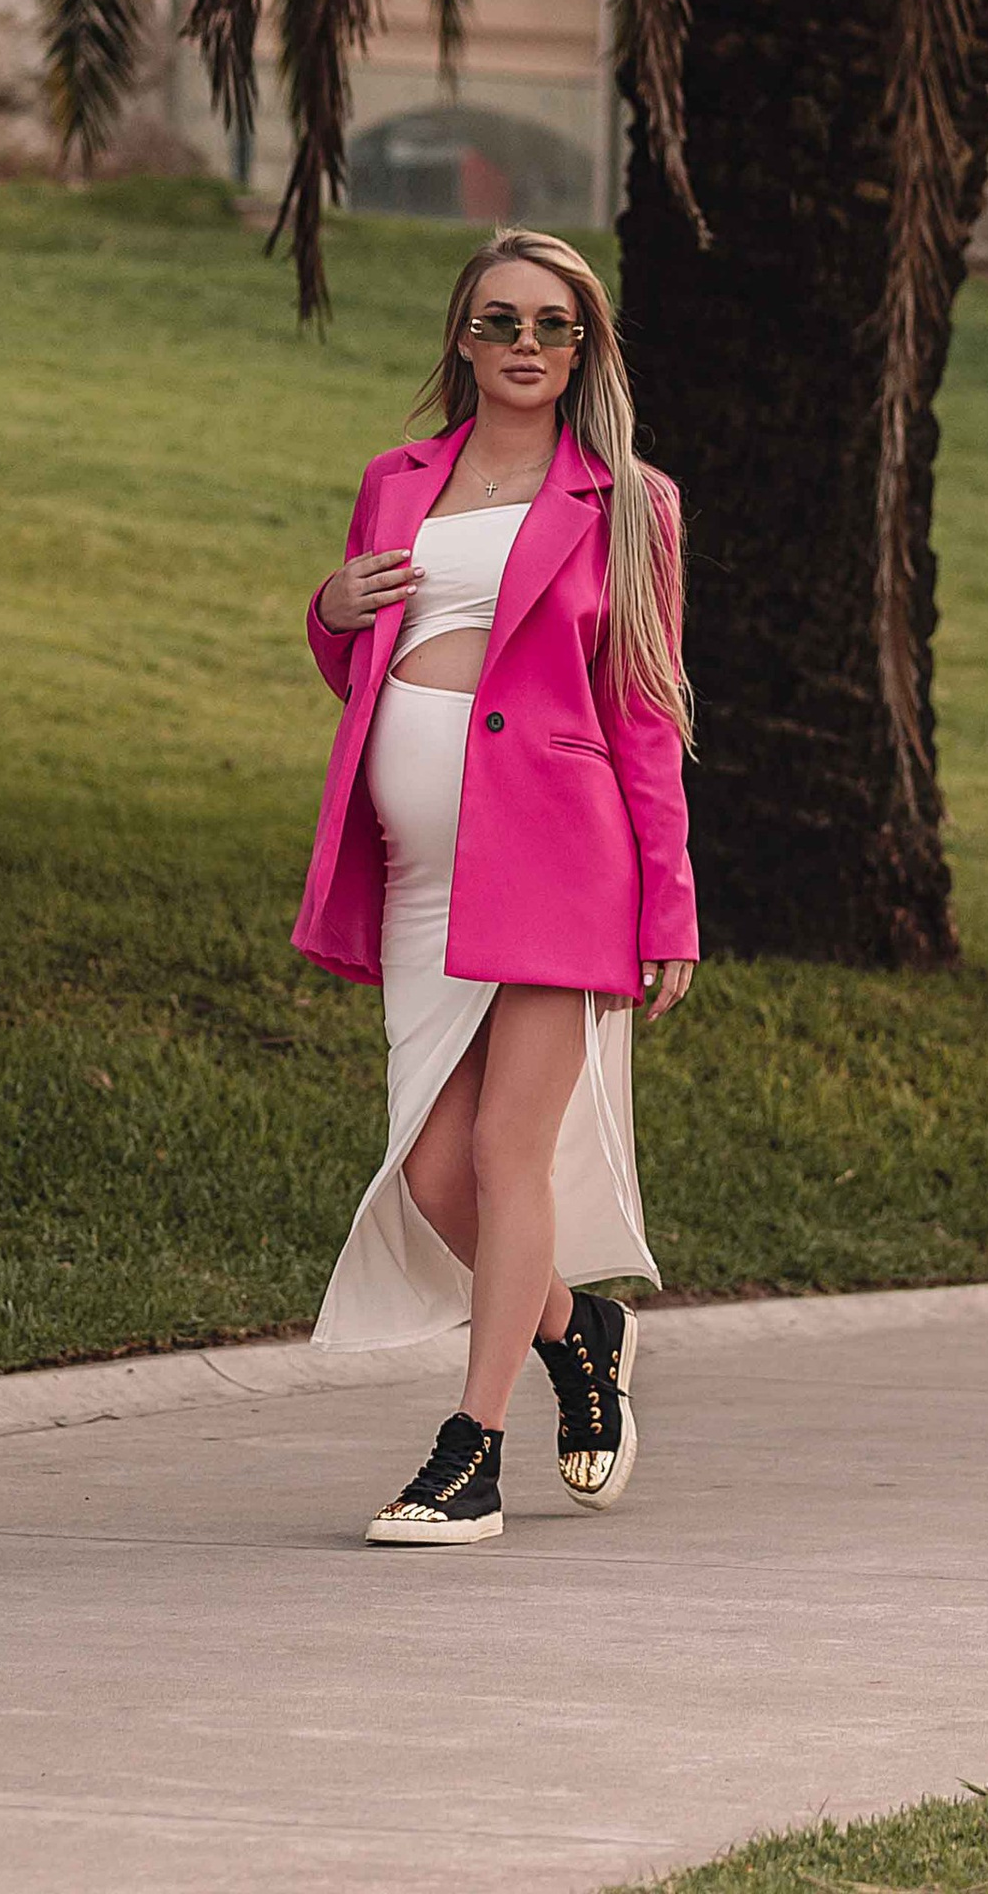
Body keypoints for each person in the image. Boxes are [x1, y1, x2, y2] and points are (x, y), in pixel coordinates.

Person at [293, 227, 698, 1547]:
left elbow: (644, 708)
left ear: (587, 350)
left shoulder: (630, 503)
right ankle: (579, 1332)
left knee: (502, 1154)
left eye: (554, 326)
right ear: (462, 340)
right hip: (419, 875)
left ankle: (471, 1450)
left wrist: (669, 902)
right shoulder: (394, 480)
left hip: (563, 863)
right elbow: (358, 669)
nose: (526, 346)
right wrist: (332, 610)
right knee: (429, 1177)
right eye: (501, 321)